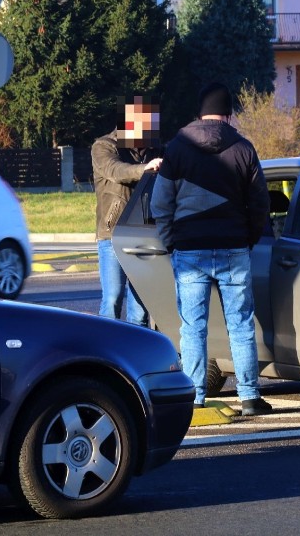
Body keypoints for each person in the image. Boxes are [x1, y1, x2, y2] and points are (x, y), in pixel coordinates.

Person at [150, 82, 272, 416]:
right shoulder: (243, 148)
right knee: (242, 324)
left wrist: (170, 240)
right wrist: (248, 237)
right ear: (230, 114)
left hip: (190, 250)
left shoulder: (177, 149)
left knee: (192, 327)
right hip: (233, 247)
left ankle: (195, 396)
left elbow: (161, 202)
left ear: (199, 114)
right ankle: (249, 397)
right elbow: (260, 202)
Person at [92, 95, 162, 326]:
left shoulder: (154, 149)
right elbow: (116, 170)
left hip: (143, 235)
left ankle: (136, 356)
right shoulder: (103, 146)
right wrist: (145, 169)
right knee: (112, 299)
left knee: (141, 307)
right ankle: (106, 354)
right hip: (112, 235)